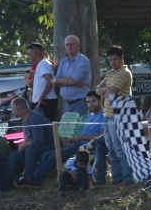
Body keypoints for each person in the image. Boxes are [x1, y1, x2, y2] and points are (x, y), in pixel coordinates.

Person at [96, 45, 135, 185]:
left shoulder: (124, 73)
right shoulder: (111, 73)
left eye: (115, 59)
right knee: (111, 149)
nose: (112, 62)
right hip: (107, 115)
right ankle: (117, 179)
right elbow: (97, 89)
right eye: (110, 60)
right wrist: (105, 90)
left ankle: (126, 178)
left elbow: (112, 91)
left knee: (120, 149)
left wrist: (105, 90)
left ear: (122, 58)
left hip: (119, 116)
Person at [54, 35, 92, 115]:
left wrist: (61, 81)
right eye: (67, 45)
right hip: (67, 103)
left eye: (72, 44)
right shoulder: (63, 62)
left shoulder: (83, 61)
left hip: (80, 102)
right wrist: (70, 81)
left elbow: (72, 81)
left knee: (80, 124)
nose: (69, 47)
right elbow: (55, 83)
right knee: (66, 124)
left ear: (78, 46)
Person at [28, 42, 58, 121]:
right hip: (41, 102)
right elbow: (31, 85)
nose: (28, 56)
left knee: (45, 127)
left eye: (29, 54)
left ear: (35, 53)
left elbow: (49, 82)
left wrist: (41, 98)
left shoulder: (44, 64)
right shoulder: (40, 65)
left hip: (45, 102)